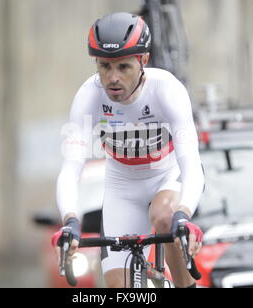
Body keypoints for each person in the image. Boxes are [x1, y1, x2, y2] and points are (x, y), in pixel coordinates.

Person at [53, 12, 205, 288]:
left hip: (166, 177)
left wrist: (184, 213)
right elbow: (70, 168)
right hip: (122, 187)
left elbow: (191, 165)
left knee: (164, 217)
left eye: (123, 67)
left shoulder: (166, 90)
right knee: (118, 289)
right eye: (104, 67)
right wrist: (70, 221)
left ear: (143, 60)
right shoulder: (89, 95)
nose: (113, 78)